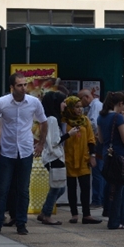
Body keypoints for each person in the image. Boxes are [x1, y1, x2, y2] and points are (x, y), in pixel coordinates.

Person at [0, 73, 48, 236]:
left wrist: (41, 143)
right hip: (7, 150)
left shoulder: (34, 102)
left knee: (23, 189)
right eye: (19, 85)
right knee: (2, 189)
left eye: (25, 84)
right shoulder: (2, 102)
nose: (23, 88)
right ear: (12, 87)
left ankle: (21, 223)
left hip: (25, 150)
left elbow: (44, 121)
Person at [38, 91, 77, 225]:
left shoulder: (50, 118)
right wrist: (69, 134)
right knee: (57, 187)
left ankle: (44, 212)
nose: (65, 105)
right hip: (54, 157)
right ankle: (47, 214)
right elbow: (54, 141)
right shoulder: (52, 119)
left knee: (58, 187)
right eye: (63, 102)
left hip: (53, 157)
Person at [62, 96, 102, 224]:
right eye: (76, 107)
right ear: (70, 108)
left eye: (81, 107)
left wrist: (92, 156)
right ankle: (74, 214)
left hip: (83, 158)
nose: (79, 110)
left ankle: (86, 214)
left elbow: (91, 139)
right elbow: (59, 139)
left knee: (85, 187)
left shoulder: (85, 120)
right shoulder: (64, 121)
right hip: (69, 158)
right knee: (72, 188)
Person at [97, 92, 124, 230]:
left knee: (114, 187)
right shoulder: (118, 117)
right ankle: (115, 221)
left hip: (107, 155)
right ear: (120, 104)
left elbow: (100, 139)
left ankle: (121, 219)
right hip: (120, 156)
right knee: (119, 190)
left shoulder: (101, 117)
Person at [78, 89, 105, 209]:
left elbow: (93, 124)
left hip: (97, 142)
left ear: (86, 97)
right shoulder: (93, 106)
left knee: (97, 171)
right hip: (95, 141)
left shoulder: (96, 106)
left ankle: (97, 199)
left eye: (80, 99)